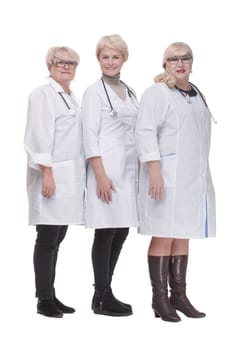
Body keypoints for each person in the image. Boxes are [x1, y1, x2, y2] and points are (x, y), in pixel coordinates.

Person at [135, 42, 216, 322]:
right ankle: (159, 299)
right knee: (164, 233)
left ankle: (178, 296)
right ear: (165, 64)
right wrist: (154, 170)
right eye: (173, 59)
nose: (179, 64)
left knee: (183, 232)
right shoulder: (158, 93)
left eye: (185, 59)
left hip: (192, 177)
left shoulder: (196, 93)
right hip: (166, 176)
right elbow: (144, 132)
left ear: (192, 63)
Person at [24, 46, 85, 318]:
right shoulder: (43, 95)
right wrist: (47, 173)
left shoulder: (71, 97)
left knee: (58, 237)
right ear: (50, 65)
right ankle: (43, 299)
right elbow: (37, 136)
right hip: (51, 178)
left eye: (71, 63)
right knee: (47, 238)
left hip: (68, 178)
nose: (66, 66)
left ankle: (51, 293)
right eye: (61, 62)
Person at [81, 34, 138, 317]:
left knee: (122, 228)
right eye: (105, 57)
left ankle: (101, 294)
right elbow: (89, 137)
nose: (110, 62)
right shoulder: (94, 92)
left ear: (123, 59)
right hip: (105, 172)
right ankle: (103, 295)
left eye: (116, 57)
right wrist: (100, 175)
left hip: (128, 174)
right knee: (106, 231)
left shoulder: (130, 91)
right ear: (99, 60)